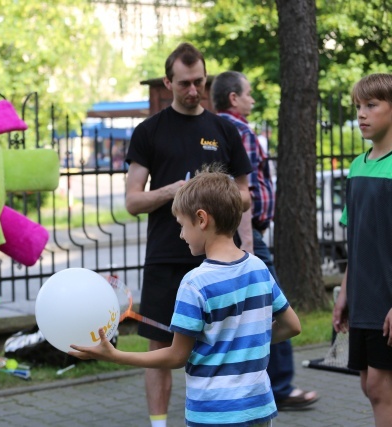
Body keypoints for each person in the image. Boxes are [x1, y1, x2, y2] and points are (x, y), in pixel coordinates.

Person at [70, 167, 302, 427]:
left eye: (182, 225)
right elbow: (292, 326)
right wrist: (246, 343)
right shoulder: (259, 268)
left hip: (214, 415)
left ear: (202, 219)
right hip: (258, 408)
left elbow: (176, 356)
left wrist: (114, 355)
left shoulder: (195, 283)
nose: (181, 235)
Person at [123, 42, 253, 427]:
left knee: (227, 342)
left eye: (199, 82)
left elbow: (246, 194)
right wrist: (175, 191)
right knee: (160, 346)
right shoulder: (149, 131)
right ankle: (159, 424)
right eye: (184, 83)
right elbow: (132, 201)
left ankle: (231, 416)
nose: (193, 90)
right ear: (168, 82)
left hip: (221, 259)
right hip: (167, 255)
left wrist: (216, 196)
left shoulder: (225, 129)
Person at [211, 71, 319, 410]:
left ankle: (251, 381)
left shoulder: (215, 130)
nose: (252, 100)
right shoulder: (238, 130)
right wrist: (247, 242)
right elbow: (240, 188)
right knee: (273, 303)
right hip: (248, 233)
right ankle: (282, 386)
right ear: (233, 98)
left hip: (242, 232)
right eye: (248, 94)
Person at [333, 73, 392, 427]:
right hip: (363, 299)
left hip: (388, 300)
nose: (362, 115)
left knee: (381, 388)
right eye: (358, 107)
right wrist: (344, 294)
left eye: (372, 105)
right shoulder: (357, 165)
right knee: (368, 386)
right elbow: (356, 239)